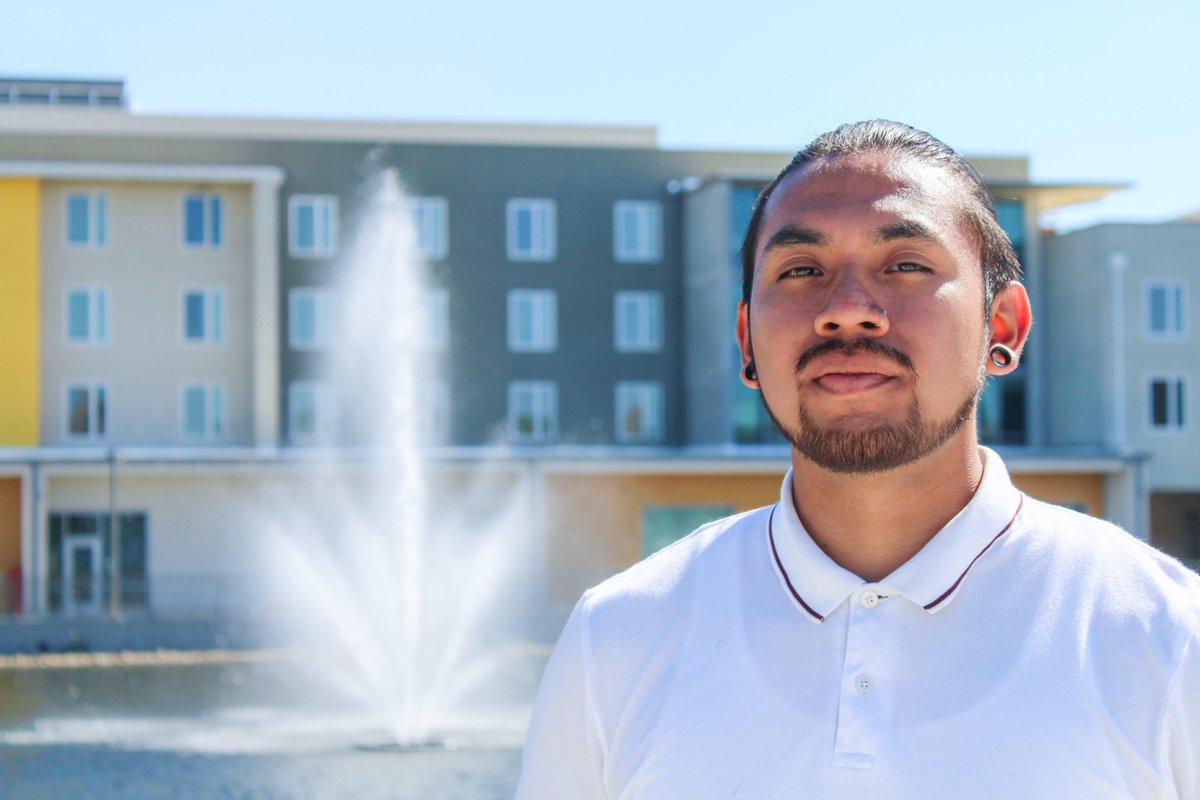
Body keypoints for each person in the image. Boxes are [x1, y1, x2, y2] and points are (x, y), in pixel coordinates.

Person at [515, 121, 1200, 799]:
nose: (847, 311)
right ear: (747, 339)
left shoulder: (1169, 638)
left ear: (1003, 327)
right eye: (801, 270)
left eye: (904, 265)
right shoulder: (619, 634)